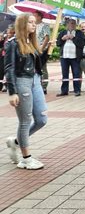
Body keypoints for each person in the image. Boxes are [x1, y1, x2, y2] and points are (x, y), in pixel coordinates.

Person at [4, 14, 51, 169]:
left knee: (41, 119)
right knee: (25, 121)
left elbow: (38, 64)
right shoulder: (13, 43)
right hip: (21, 82)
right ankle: (26, 159)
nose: (34, 25)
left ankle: (16, 142)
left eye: (34, 22)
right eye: (30, 22)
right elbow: (9, 68)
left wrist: (48, 50)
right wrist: (12, 92)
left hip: (36, 81)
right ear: (22, 24)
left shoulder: (32, 42)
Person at [55, 18, 85, 97]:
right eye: (71, 23)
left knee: (76, 74)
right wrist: (63, 39)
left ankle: (77, 90)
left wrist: (73, 38)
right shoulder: (63, 32)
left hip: (75, 57)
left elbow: (82, 44)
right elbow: (58, 43)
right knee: (64, 74)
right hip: (64, 57)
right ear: (67, 24)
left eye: (74, 24)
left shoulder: (79, 33)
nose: (72, 25)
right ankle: (64, 91)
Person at [33, 11, 50, 94]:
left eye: (35, 15)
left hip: (41, 49)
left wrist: (41, 48)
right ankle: (36, 84)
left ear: (40, 17)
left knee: (42, 67)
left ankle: (44, 86)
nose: (33, 17)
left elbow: (47, 38)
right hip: (33, 48)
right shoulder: (32, 26)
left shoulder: (44, 26)